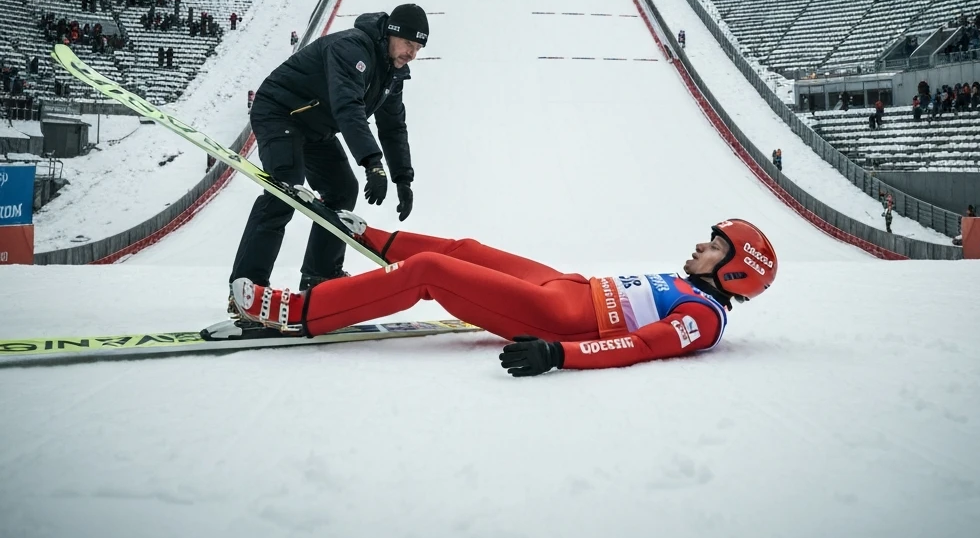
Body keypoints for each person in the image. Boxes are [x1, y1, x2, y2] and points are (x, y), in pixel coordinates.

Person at [229, 217, 778, 377]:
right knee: (466, 247)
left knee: (429, 273)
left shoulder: (702, 319)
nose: (700, 245)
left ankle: (300, 314)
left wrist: (557, 353)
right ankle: (370, 236)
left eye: (715, 247)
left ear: (733, 273)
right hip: (568, 284)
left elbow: (637, 346)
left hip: (557, 314)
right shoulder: (687, 286)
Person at [228, 5, 428, 310]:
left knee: (342, 191)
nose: (412, 54)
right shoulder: (351, 48)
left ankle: (319, 276)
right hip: (281, 112)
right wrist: (371, 162)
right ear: (391, 34)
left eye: (418, 48)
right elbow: (348, 107)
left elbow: (393, 127)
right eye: (408, 44)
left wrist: (403, 178)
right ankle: (247, 289)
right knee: (286, 191)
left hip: (314, 127)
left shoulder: (393, 74)